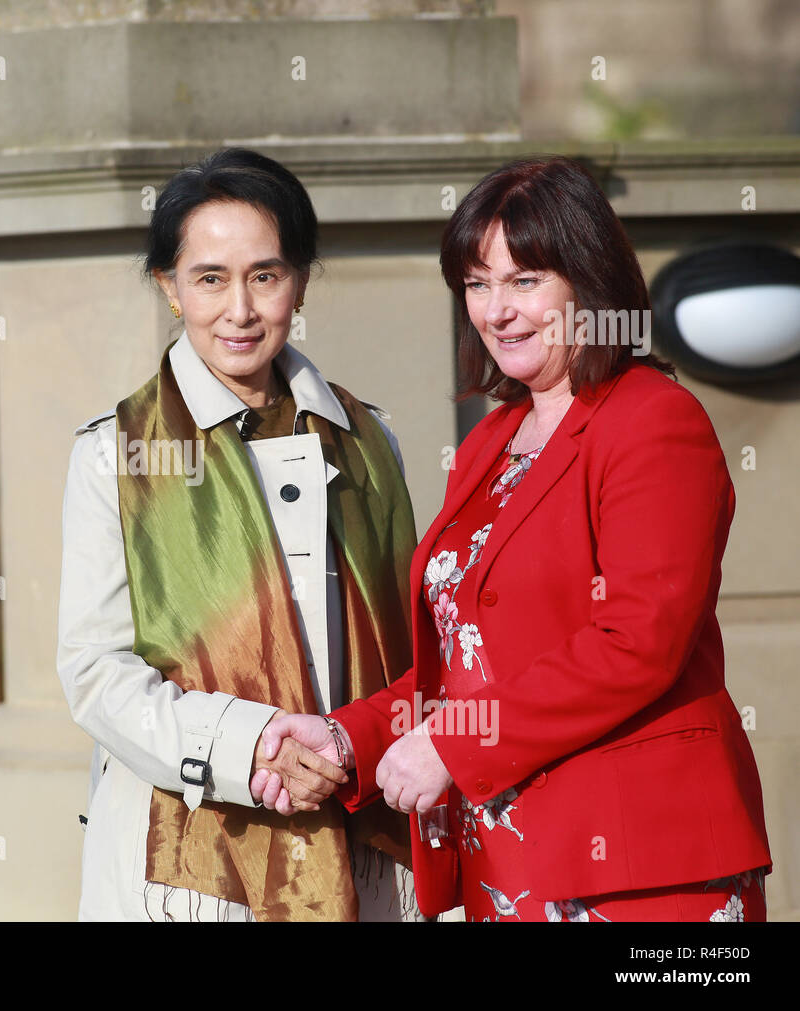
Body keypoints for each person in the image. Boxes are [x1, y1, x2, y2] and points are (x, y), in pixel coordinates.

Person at [257, 157, 772, 921]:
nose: (496, 310)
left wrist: (451, 749)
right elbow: (468, 665)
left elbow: (638, 641)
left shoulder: (653, 419)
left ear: (588, 282)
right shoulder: (492, 441)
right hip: (511, 867)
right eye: (476, 283)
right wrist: (346, 737)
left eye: (525, 279)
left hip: (641, 877)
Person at [56, 147, 420, 921]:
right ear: (169, 286)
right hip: (189, 850)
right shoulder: (115, 454)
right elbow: (96, 671)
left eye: (266, 274)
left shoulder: (368, 440)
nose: (241, 309)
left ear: (301, 279)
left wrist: (342, 747)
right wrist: (251, 745)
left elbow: (413, 648)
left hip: (362, 834)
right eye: (209, 278)